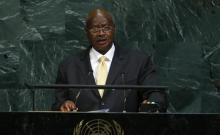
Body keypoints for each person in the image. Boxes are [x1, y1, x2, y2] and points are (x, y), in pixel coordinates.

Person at [52, 8, 167, 112]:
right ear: (86, 32)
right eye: (95, 29)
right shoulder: (68, 66)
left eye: (106, 28)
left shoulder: (138, 61)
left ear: (114, 29)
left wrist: (152, 103)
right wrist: (63, 104)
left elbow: (155, 92)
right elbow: (58, 102)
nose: (101, 33)